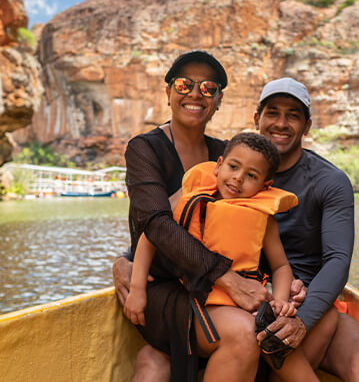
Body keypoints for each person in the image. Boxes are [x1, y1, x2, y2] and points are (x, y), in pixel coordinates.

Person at [116, 77, 359, 381]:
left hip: (299, 302)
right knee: (156, 360)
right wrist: (124, 261)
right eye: (272, 113)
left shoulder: (329, 182)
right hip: (228, 298)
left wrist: (298, 315)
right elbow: (166, 228)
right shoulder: (223, 171)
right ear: (257, 118)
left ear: (307, 126)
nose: (281, 123)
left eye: (293, 115)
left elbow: (337, 260)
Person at [114, 50, 275, 382]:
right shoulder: (145, 149)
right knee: (245, 334)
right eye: (185, 84)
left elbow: (254, 220)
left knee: (263, 327)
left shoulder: (227, 156)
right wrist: (228, 278)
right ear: (169, 91)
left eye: (208, 88)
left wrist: (280, 279)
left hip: (215, 291)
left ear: (218, 101)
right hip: (165, 290)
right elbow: (155, 224)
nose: (195, 94)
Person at [125, 132, 331, 380]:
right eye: (233, 167)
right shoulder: (192, 202)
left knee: (276, 335)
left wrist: (279, 301)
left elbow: (280, 266)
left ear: (265, 185)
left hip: (244, 302)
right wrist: (137, 289)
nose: (238, 179)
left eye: (251, 176)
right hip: (196, 298)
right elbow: (151, 237)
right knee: (253, 331)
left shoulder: (262, 218)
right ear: (220, 164)